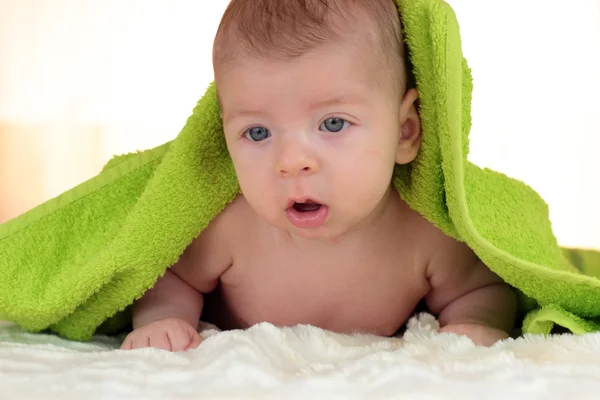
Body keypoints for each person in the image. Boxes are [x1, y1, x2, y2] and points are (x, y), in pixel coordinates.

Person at [121, 0, 516, 352]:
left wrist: (476, 323)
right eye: (258, 132)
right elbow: (168, 274)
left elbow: (481, 288)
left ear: (405, 130)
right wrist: (164, 320)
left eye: (332, 123)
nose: (292, 161)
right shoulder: (231, 228)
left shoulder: (423, 235)